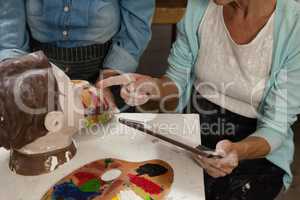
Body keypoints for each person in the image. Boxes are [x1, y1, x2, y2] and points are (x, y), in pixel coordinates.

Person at [98, 0, 300, 199]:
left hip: (255, 148)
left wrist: (237, 151)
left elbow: (276, 127)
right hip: (192, 134)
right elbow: (176, 82)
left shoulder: (293, 26)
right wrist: (155, 88)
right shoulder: (199, 7)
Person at [0, 0, 155, 111]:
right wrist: (15, 75)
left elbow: (136, 24)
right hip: (38, 67)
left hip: (108, 67)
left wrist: (111, 75)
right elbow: (9, 23)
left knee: (110, 146)